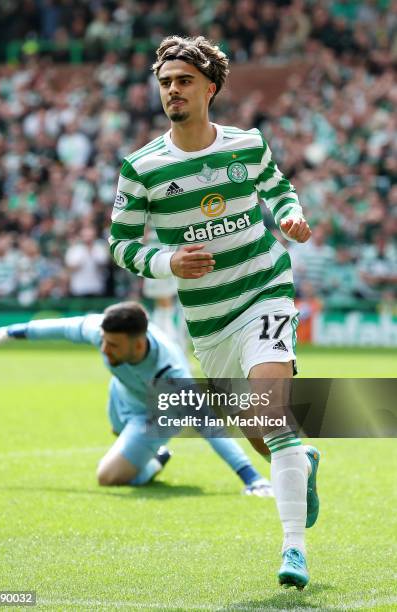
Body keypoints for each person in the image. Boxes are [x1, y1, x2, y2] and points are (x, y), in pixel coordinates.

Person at [109, 36, 320, 589]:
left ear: (210, 88)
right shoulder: (142, 167)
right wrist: (168, 260)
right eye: (165, 83)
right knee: (259, 428)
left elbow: (280, 191)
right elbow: (122, 244)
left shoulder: (246, 145)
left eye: (183, 81)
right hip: (207, 320)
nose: (172, 91)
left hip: (265, 292)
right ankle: (304, 464)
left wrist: (292, 218)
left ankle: (293, 549)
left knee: (271, 415)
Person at [0, 301, 272, 496]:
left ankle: (157, 459)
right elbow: (62, 328)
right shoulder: (104, 332)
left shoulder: (171, 371)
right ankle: (150, 453)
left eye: (113, 345)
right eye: (103, 341)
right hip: (121, 397)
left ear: (139, 344)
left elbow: (208, 425)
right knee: (118, 437)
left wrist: (251, 478)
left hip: (158, 416)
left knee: (109, 477)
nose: (104, 349)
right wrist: (11, 332)